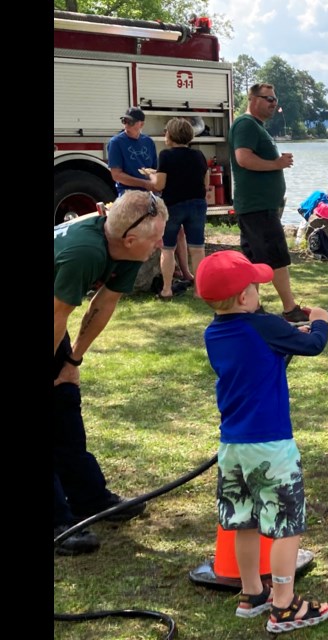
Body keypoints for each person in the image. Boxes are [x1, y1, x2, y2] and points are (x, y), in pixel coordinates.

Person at [195, 250, 328, 634]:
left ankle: (252, 593)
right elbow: (312, 346)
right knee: (287, 524)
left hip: (233, 448)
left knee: (244, 521)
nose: (260, 293)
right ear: (244, 297)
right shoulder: (265, 325)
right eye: (255, 287)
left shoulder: (213, 333)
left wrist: (286, 338)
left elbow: (259, 358)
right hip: (271, 447)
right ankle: (285, 606)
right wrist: (320, 323)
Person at [54, 191, 169, 555]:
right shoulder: (85, 252)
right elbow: (57, 315)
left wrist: (71, 362)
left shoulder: (127, 247)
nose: (161, 244)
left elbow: (103, 304)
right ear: (132, 238)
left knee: (65, 401)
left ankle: (89, 498)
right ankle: (57, 522)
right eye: (157, 238)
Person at [229, 83, 310, 323]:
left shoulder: (255, 126)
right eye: (268, 99)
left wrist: (277, 161)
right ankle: (290, 309)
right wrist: (276, 164)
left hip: (259, 205)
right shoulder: (245, 124)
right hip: (257, 205)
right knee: (276, 257)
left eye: (275, 99)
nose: (273, 103)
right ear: (252, 99)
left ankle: (250, 309)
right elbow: (243, 159)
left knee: (255, 261)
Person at [109, 106, 193, 285]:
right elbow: (116, 174)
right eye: (124, 121)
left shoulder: (148, 142)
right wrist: (145, 184)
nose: (126, 125)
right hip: (129, 193)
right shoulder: (116, 142)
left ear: (141, 124)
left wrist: (154, 182)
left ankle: (185, 271)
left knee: (175, 229)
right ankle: (131, 276)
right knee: (135, 232)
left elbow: (156, 170)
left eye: (130, 122)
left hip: (151, 192)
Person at [146, 118, 210, 300]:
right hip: (197, 204)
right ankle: (199, 290)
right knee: (197, 248)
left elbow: (159, 185)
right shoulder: (198, 155)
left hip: (173, 206)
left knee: (167, 248)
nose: (165, 134)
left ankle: (167, 289)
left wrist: (151, 175)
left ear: (172, 135)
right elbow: (205, 182)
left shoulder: (166, 155)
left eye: (166, 131)